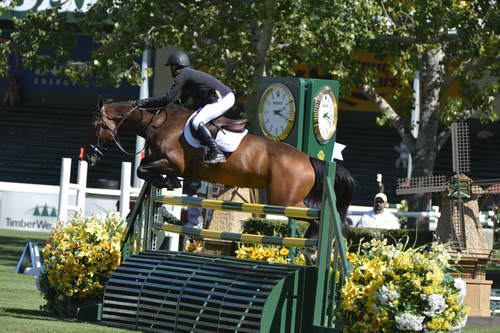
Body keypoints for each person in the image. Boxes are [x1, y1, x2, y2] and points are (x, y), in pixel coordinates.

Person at [134, 50, 235, 164]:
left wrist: (145, 102)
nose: (170, 70)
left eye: (171, 66)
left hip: (224, 98)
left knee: (197, 121)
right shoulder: (187, 75)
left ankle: (217, 152)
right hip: (220, 99)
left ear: (175, 66)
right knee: (193, 118)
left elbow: (167, 98)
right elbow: (181, 101)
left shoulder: (182, 74)